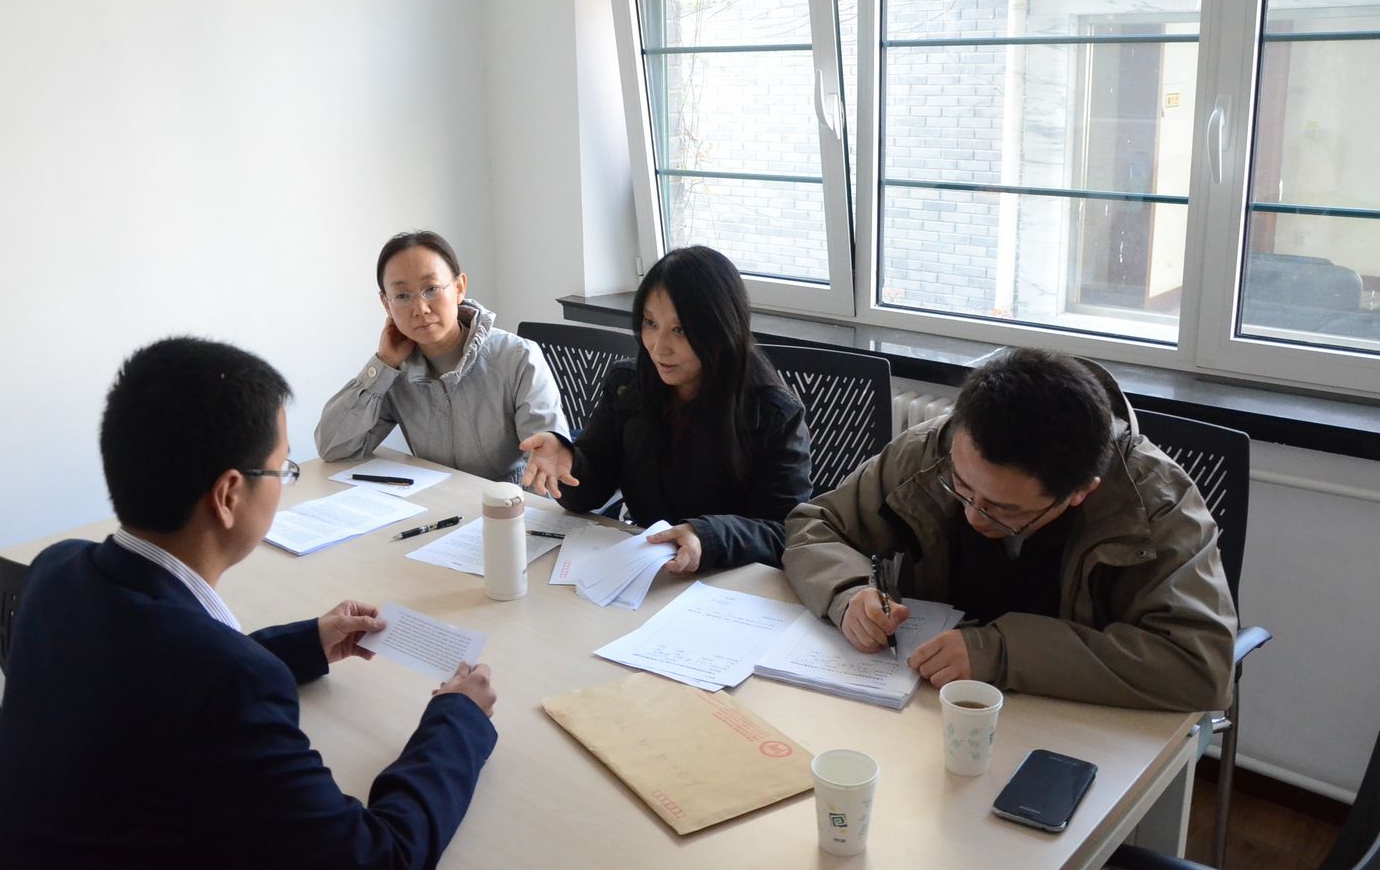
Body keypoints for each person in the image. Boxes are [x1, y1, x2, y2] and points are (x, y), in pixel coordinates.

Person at [0, 337, 498, 870]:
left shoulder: (58, 572)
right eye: (282, 469)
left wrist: (306, 642)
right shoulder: (229, 686)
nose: (285, 482)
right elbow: (375, 869)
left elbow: (159, 671)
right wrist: (457, 719)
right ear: (228, 495)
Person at [784, 347, 1237, 712]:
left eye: (1003, 510)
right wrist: (848, 594)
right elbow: (817, 525)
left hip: (1073, 719)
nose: (974, 516)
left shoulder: (1156, 502)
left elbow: (1200, 667)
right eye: (961, 487)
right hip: (926, 701)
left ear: (1080, 492)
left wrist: (999, 653)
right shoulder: (932, 450)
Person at [521, 246, 811, 573]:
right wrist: (568, 463)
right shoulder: (628, 385)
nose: (659, 347)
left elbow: (786, 532)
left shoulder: (774, 413)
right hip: (645, 566)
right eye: (650, 323)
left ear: (721, 328)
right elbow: (592, 488)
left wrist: (705, 536)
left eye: (680, 330)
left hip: (725, 577)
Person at [316, 230, 567, 484]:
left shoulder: (518, 357)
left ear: (459, 288)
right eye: (402, 296)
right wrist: (382, 365)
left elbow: (546, 461)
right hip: (435, 499)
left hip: (505, 499)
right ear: (386, 304)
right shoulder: (396, 371)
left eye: (431, 289)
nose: (420, 309)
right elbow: (333, 448)